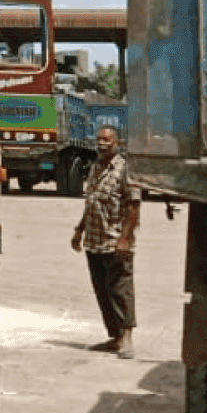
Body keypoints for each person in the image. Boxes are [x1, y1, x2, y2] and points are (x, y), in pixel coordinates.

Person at [71, 124, 138, 356]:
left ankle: (127, 337)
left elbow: (133, 206)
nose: (101, 143)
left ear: (116, 143)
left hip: (115, 241)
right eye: (99, 139)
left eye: (106, 140)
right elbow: (91, 203)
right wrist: (79, 231)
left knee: (121, 289)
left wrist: (125, 239)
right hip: (94, 241)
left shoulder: (124, 169)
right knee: (103, 291)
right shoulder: (95, 168)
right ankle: (116, 337)